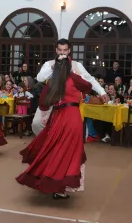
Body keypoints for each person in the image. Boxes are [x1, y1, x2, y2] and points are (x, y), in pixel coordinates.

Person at [16, 54, 92, 199]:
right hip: (72, 117)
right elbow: (87, 87)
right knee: (69, 151)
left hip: (57, 117)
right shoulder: (73, 78)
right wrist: (76, 75)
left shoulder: (52, 81)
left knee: (54, 148)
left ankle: (51, 182)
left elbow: (43, 104)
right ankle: (59, 186)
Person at [32, 39, 109, 135]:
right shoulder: (49, 64)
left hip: (68, 104)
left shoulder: (77, 65)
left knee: (67, 129)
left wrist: (102, 92)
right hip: (50, 101)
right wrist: (53, 68)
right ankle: (47, 144)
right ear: (56, 50)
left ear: (69, 51)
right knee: (36, 124)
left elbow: (91, 80)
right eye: (60, 50)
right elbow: (39, 78)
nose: (62, 53)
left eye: (65, 50)